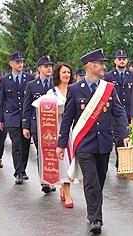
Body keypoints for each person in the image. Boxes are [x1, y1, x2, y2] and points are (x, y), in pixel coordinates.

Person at [56, 49, 130, 234]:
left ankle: (95, 211)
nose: (104, 66)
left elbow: (119, 112)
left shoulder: (109, 89)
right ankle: (95, 218)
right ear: (90, 65)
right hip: (84, 144)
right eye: (100, 63)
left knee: (101, 179)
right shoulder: (75, 89)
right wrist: (61, 143)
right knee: (91, 181)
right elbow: (68, 118)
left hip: (104, 142)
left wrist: (125, 134)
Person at [45, 62, 77, 208]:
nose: (66, 75)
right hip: (59, 129)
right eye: (64, 72)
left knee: (73, 160)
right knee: (63, 161)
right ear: (58, 74)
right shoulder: (52, 93)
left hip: (74, 130)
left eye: (69, 73)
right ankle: (68, 193)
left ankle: (65, 189)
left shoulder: (74, 90)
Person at [22, 55, 56, 193]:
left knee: (52, 152)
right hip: (37, 124)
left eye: (50, 66)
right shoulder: (31, 85)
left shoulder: (55, 84)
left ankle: (53, 179)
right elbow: (27, 107)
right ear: (39, 69)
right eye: (46, 66)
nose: (49, 69)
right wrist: (25, 126)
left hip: (53, 125)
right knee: (42, 152)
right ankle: (44, 180)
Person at [1, 52, 35, 184]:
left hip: (26, 117)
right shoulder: (5, 80)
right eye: (17, 62)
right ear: (11, 64)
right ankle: (18, 172)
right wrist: (0, 119)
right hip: (12, 116)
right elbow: (1, 100)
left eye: (21, 62)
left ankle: (23, 169)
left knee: (26, 145)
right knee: (16, 144)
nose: (20, 64)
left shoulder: (29, 78)